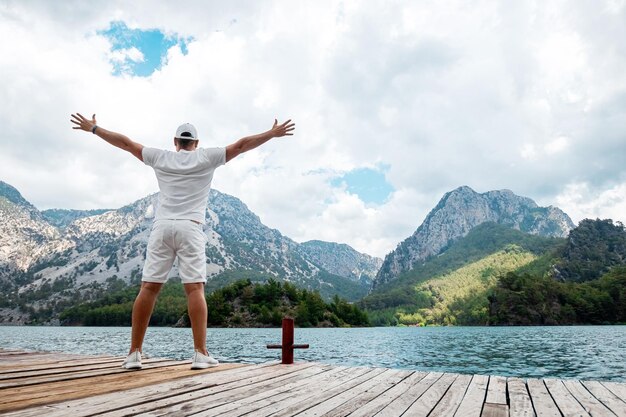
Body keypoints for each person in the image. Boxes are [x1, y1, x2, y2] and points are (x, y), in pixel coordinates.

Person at [70, 113, 295, 369]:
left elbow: (126, 143)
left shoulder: (160, 157)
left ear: (175, 141)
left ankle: (134, 354)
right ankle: (200, 353)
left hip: (162, 227)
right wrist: (270, 133)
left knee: (149, 288)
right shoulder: (207, 157)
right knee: (195, 289)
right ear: (196, 143)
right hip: (191, 228)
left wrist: (95, 129)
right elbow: (242, 145)